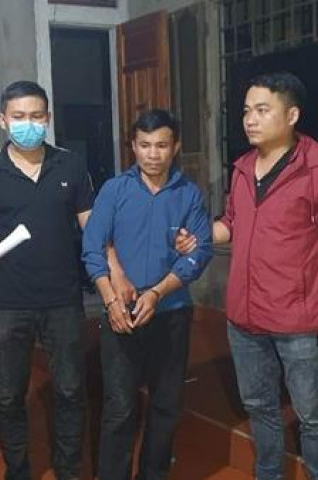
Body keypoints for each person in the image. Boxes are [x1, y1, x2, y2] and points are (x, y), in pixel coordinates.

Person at [213, 72, 318, 480]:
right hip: (245, 318)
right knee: (260, 408)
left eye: (262, 110)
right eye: (247, 111)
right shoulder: (243, 167)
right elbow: (232, 222)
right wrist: (200, 235)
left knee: (312, 416)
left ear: (292, 115)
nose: (250, 119)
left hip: (299, 321)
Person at [0, 80, 93, 480]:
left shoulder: (70, 165)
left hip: (63, 300)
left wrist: (111, 280)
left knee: (70, 390)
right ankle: (17, 471)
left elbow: (92, 231)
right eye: (19, 117)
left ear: (48, 118)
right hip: (7, 304)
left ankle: (69, 470)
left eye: (36, 116)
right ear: (2, 120)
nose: (28, 124)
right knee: (8, 396)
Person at [82, 109, 213, 480]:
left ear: (175, 147)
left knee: (166, 405)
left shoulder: (188, 194)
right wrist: (110, 299)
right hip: (120, 312)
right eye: (144, 145)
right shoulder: (115, 190)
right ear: (133, 146)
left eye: (161, 145)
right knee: (120, 407)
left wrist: (157, 292)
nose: (153, 154)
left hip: (171, 313)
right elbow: (92, 247)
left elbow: (200, 252)